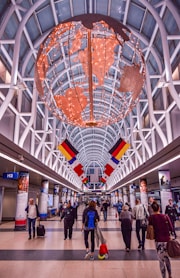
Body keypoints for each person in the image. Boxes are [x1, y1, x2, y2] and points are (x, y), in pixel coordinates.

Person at [149, 202, 173, 278]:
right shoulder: (165, 216)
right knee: (167, 258)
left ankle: (163, 276)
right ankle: (170, 274)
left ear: (152, 209)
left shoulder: (151, 218)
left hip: (158, 240)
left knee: (161, 260)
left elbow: (150, 227)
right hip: (167, 240)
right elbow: (171, 228)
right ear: (159, 208)